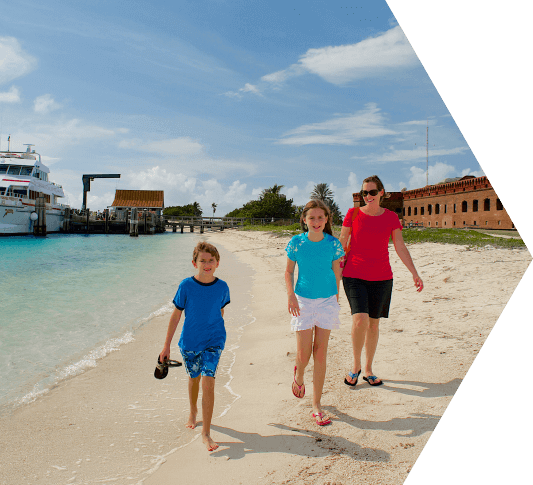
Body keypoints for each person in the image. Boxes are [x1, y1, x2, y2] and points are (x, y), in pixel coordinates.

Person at [340, 175, 423, 388]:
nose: (368, 196)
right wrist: (333, 273)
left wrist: (414, 272)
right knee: (360, 320)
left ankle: (368, 369)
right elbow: (341, 243)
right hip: (354, 274)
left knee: (374, 324)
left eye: (372, 192)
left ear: (382, 193)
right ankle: (356, 366)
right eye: (364, 193)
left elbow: (400, 246)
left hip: (382, 277)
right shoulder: (353, 213)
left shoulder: (391, 217)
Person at [159, 241, 230, 452]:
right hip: (190, 342)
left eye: (211, 261)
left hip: (214, 342)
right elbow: (176, 315)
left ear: (217, 263)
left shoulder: (222, 287)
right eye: (202, 260)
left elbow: (220, 311)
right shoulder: (186, 286)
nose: (207, 264)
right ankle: (193, 411)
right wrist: (166, 346)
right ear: (194, 263)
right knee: (194, 377)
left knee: (209, 381)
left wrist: (215, 332)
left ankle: (206, 433)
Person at [285, 199, 344, 426]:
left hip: (327, 301)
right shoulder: (296, 243)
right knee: (304, 355)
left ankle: (316, 405)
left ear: (327, 219)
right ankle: (299, 375)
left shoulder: (333, 244)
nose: (316, 222)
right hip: (302, 301)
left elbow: (337, 271)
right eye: (312, 218)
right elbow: (288, 271)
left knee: (320, 353)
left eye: (321, 217)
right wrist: (291, 295)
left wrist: (335, 297)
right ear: (304, 220)